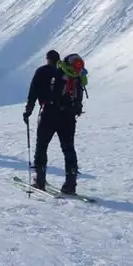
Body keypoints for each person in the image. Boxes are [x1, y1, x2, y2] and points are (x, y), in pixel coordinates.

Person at [23, 50, 87, 195]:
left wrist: (28, 111)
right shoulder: (75, 76)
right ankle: (70, 185)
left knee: (42, 146)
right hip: (69, 117)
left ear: (47, 59)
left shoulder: (43, 72)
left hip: (49, 114)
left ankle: (40, 180)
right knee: (68, 149)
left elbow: (33, 92)